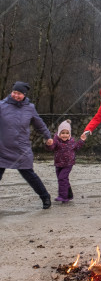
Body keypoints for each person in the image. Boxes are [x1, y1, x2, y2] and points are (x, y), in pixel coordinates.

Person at [0, 81, 53, 209]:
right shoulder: (1, 106)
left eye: (19, 93)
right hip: (2, 148)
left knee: (29, 175)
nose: (16, 95)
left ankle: (45, 196)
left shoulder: (30, 108)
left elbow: (39, 124)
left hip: (21, 148)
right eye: (14, 92)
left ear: (24, 94)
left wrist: (48, 136)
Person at [47, 119, 85, 203]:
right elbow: (51, 148)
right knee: (63, 179)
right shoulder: (56, 141)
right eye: (63, 133)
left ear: (69, 134)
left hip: (68, 163)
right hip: (58, 163)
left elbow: (77, 147)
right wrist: (49, 144)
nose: (65, 135)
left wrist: (81, 140)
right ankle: (69, 195)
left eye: (67, 133)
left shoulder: (71, 141)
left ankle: (63, 196)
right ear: (59, 133)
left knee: (62, 178)